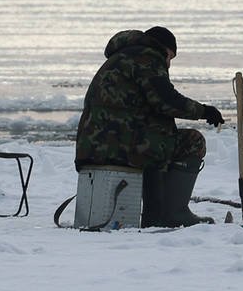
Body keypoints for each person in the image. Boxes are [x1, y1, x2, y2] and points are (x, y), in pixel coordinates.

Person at [75, 26, 225, 227]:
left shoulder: (122, 58)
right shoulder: (148, 57)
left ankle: (158, 211)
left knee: (158, 138)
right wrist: (204, 111)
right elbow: (165, 100)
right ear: (163, 48)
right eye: (170, 57)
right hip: (119, 144)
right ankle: (170, 213)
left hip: (95, 144)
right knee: (191, 141)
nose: (169, 63)